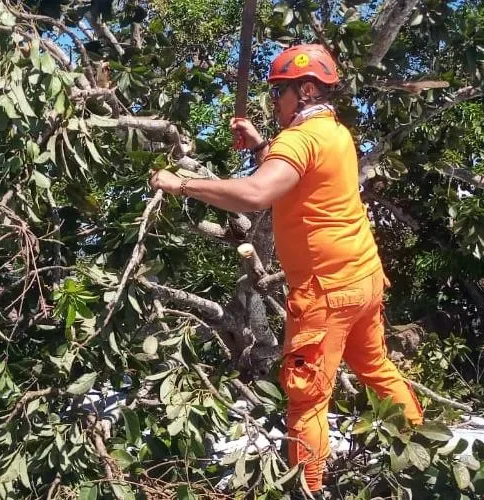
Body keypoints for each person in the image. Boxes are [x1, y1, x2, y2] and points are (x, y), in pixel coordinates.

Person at [149, 44, 423, 494]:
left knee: (306, 398)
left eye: (280, 91)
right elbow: (297, 173)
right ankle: (423, 456)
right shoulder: (333, 132)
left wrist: (180, 184)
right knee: (375, 367)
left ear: (307, 89)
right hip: (363, 279)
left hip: (326, 292)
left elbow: (258, 193)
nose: (273, 100)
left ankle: (308, 489)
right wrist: (260, 144)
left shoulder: (300, 139)